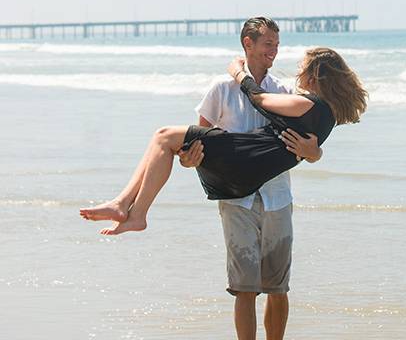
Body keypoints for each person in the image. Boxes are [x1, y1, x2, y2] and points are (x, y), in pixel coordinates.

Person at [80, 17, 367, 340]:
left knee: (277, 287)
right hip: (236, 197)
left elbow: (310, 140)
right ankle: (126, 207)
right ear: (248, 44)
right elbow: (197, 144)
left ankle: (127, 207)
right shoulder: (220, 88)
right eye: (268, 43)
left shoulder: (286, 90)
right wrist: (189, 161)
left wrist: (315, 154)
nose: (275, 50)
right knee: (244, 287)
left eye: (277, 43)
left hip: (276, 197)